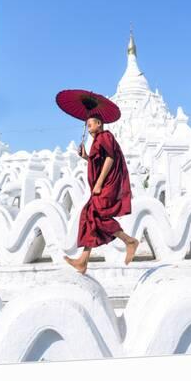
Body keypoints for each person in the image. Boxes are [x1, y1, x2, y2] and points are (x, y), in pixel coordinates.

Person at [64, 114, 139, 274]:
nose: (88, 125)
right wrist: (86, 156)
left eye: (90, 123)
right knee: (90, 215)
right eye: (87, 123)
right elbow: (99, 160)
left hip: (107, 185)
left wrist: (98, 183)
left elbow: (110, 158)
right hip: (103, 184)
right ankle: (83, 261)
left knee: (95, 213)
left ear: (99, 123)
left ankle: (129, 241)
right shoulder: (98, 140)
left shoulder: (104, 136)